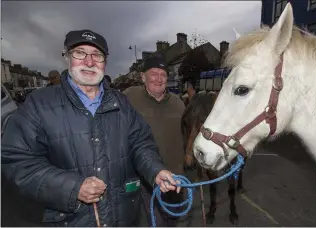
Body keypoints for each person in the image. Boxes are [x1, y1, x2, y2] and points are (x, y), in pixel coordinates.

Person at [1, 29, 180, 227]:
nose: (89, 61)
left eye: (97, 55)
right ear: (67, 57)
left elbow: (141, 143)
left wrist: (155, 170)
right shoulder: (39, 104)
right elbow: (16, 161)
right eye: (80, 53)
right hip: (70, 221)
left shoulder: (122, 103)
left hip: (124, 219)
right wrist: (72, 188)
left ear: (105, 62)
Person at [123, 56, 186, 227]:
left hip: (174, 178)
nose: (159, 79)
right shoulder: (128, 97)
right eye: (154, 74)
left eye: (163, 75)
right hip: (141, 179)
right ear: (143, 76)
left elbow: (188, 135)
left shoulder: (178, 103)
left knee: (171, 219)